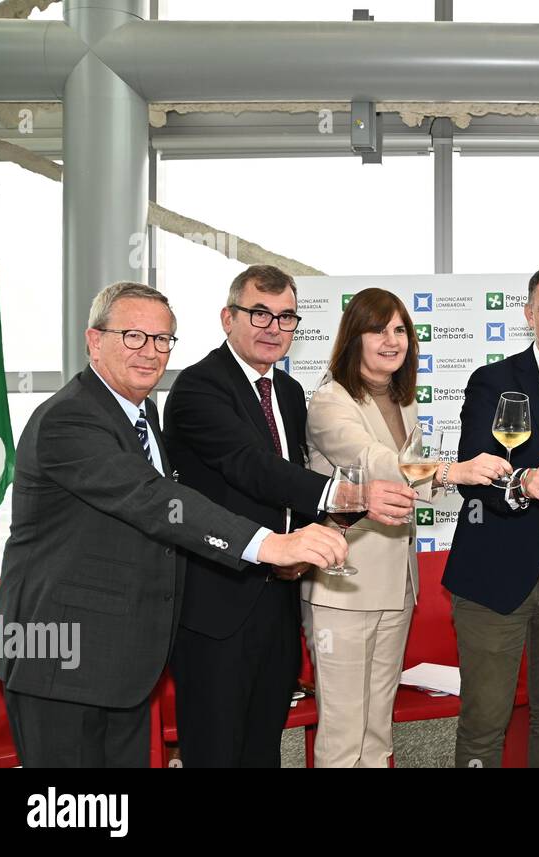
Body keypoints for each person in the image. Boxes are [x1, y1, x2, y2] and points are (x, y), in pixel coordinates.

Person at [0, 281, 345, 767]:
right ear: (95, 341)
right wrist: (269, 546)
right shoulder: (69, 418)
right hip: (65, 658)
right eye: (133, 336)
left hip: (127, 660)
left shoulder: (143, 413)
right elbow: (153, 498)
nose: (150, 351)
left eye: (162, 340)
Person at [163, 265, 416, 767]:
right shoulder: (198, 388)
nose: (272, 328)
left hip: (280, 592)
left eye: (285, 317)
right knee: (216, 748)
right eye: (259, 314)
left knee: (263, 744)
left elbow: (292, 487)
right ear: (227, 318)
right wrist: (348, 496)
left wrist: (323, 529)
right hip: (218, 601)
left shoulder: (288, 392)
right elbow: (251, 468)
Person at [302, 287, 510, 767]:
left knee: (378, 728)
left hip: (397, 583)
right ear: (354, 337)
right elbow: (374, 462)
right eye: (377, 329)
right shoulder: (329, 401)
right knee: (342, 734)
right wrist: (450, 471)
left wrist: (433, 477)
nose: (391, 340)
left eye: (400, 330)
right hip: (344, 586)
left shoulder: (401, 400)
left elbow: (408, 481)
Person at [443, 262, 539, 768]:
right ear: (529, 313)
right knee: (485, 717)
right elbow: (475, 469)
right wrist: (522, 483)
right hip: (495, 571)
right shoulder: (492, 381)